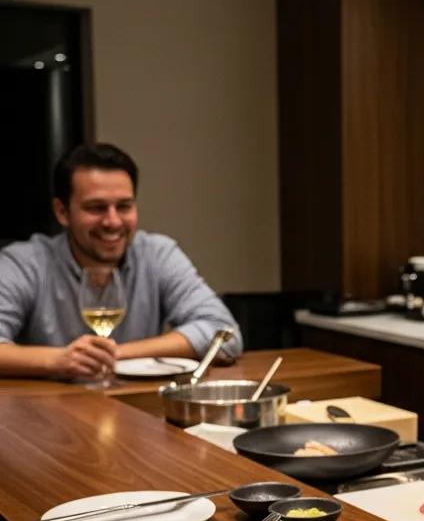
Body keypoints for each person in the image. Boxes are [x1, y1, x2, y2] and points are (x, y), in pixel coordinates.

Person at [0, 143, 242, 381]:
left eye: (124, 206)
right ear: (62, 212)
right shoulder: (24, 263)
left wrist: (115, 355)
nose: (113, 221)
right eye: (96, 208)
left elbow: (224, 335)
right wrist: (58, 361)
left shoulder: (157, 254)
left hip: (138, 408)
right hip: (45, 413)